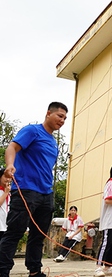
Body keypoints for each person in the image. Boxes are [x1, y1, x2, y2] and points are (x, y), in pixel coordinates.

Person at [0, 101, 68, 277]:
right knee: (15, 231)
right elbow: (12, 147)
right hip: (26, 190)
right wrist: (9, 165)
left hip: (46, 193)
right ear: (48, 113)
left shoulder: (53, 142)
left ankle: (35, 271)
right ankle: (2, 270)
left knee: (38, 235)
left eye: (65, 118)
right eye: (60, 116)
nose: (62, 120)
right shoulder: (32, 131)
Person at [0, 169, 11, 242]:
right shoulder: (5, 192)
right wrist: (6, 193)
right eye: (5, 177)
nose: (8, 179)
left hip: (6, 226)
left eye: (9, 177)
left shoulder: (9, 192)